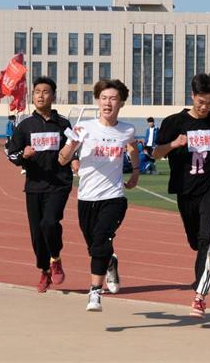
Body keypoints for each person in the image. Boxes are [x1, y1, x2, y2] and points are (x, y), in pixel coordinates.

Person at [152, 73, 210, 319]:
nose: (205, 107)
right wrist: (174, 144)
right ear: (192, 96)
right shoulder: (174, 122)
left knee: (208, 239)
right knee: (196, 242)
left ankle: (200, 295)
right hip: (185, 190)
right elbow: (155, 153)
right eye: (201, 102)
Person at [58, 79, 139, 312]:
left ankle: (95, 292)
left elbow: (132, 147)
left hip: (113, 197)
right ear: (98, 101)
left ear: (121, 103)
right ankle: (110, 261)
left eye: (113, 98)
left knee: (101, 241)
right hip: (86, 198)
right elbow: (62, 160)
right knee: (95, 247)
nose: (107, 103)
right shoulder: (84, 128)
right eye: (103, 98)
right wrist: (72, 146)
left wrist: (135, 172)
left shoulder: (127, 129)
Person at [7, 76, 74, 293]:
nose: (40, 96)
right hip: (34, 185)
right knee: (37, 234)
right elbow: (12, 154)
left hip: (59, 183)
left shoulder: (63, 124)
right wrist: (23, 155)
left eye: (45, 92)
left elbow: (73, 146)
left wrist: (74, 159)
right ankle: (44, 270)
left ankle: (56, 258)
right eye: (37, 92)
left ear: (53, 96)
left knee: (49, 223)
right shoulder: (25, 125)